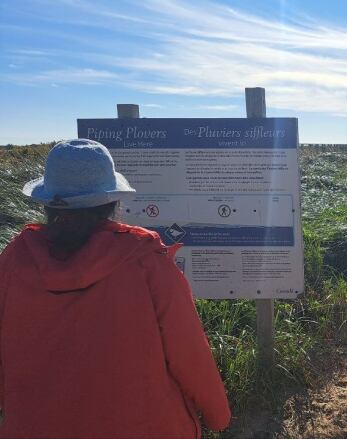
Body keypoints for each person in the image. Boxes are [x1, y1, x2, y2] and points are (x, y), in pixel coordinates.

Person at [0, 139, 231, 438]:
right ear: (111, 201)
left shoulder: (15, 259)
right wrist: (218, 415)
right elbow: (188, 350)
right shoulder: (145, 261)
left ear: (48, 202)